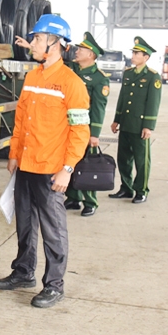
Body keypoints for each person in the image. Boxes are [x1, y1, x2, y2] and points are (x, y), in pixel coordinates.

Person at [0, 14, 90, 309]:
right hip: (25, 164)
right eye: (34, 38)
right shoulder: (33, 77)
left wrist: (67, 168)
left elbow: (80, 131)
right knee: (25, 224)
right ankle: (23, 272)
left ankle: (55, 284)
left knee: (52, 229)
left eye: (37, 39)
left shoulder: (71, 84)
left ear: (55, 43)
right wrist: (13, 153)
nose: (32, 43)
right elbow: (21, 118)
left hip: (51, 169)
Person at [109, 36, 162, 204]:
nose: (133, 55)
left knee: (141, 160)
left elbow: (153, 103)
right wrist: (117, 119)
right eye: (133, 52)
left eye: (137, 53)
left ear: (146, 57)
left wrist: (148, 126)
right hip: (126, 123)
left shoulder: (153, 77)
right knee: (123, 158)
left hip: (140, 126)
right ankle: (126, 188)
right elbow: (123, 98)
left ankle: (141, 190)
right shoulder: (128, 74)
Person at [65, 32, 110, 217]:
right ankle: (73, 197)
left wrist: (95, 134)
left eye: (81, 50)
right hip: (67, 126)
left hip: (84, 129)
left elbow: (99, 107)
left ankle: (90, 202)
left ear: (91, 55)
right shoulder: (72, 69)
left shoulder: (99, 79)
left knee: (87, 165)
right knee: (70, 161)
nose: (76, 52)